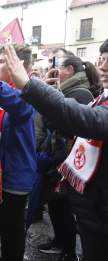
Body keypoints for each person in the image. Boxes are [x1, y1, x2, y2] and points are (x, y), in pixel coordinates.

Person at [3, 39, 108, 261]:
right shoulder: (102, 96)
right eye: (103, 59)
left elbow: (79, 120)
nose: (103, 67)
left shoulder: (83, 94)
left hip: (98, 204)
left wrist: (30, 86)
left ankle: (68, 250)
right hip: (94, 205)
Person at [34, 55, 100, 261]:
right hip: (60, 156)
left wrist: (49, 102)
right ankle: (60, 242)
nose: (52, 73)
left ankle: (69, 251)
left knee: (63, 208)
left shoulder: (79, 93)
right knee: (55, 205)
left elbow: (67, 127)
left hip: (67, 159)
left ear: (69, 70)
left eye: (55, 70)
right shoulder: (67, 90)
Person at [0, 42, 36, 261]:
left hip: (14, 175)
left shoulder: (27, 91)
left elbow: (20, 106)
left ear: (15, 65)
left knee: (11, 230)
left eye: (2, 61)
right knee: (3, 226)